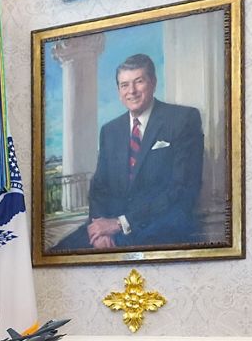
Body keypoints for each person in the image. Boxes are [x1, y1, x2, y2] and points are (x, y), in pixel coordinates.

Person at [58, 53, 204, 250]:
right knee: (58, 253)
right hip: (111, 228)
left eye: (139, 81)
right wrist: (100, 228)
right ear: (119, 91)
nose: (132, 91)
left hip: (160, 226)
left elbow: (182, 188)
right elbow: (99, 188)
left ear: (153, 82)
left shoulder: (182, 119)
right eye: (124, 85)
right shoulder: (110, 130)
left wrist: (120, 223)